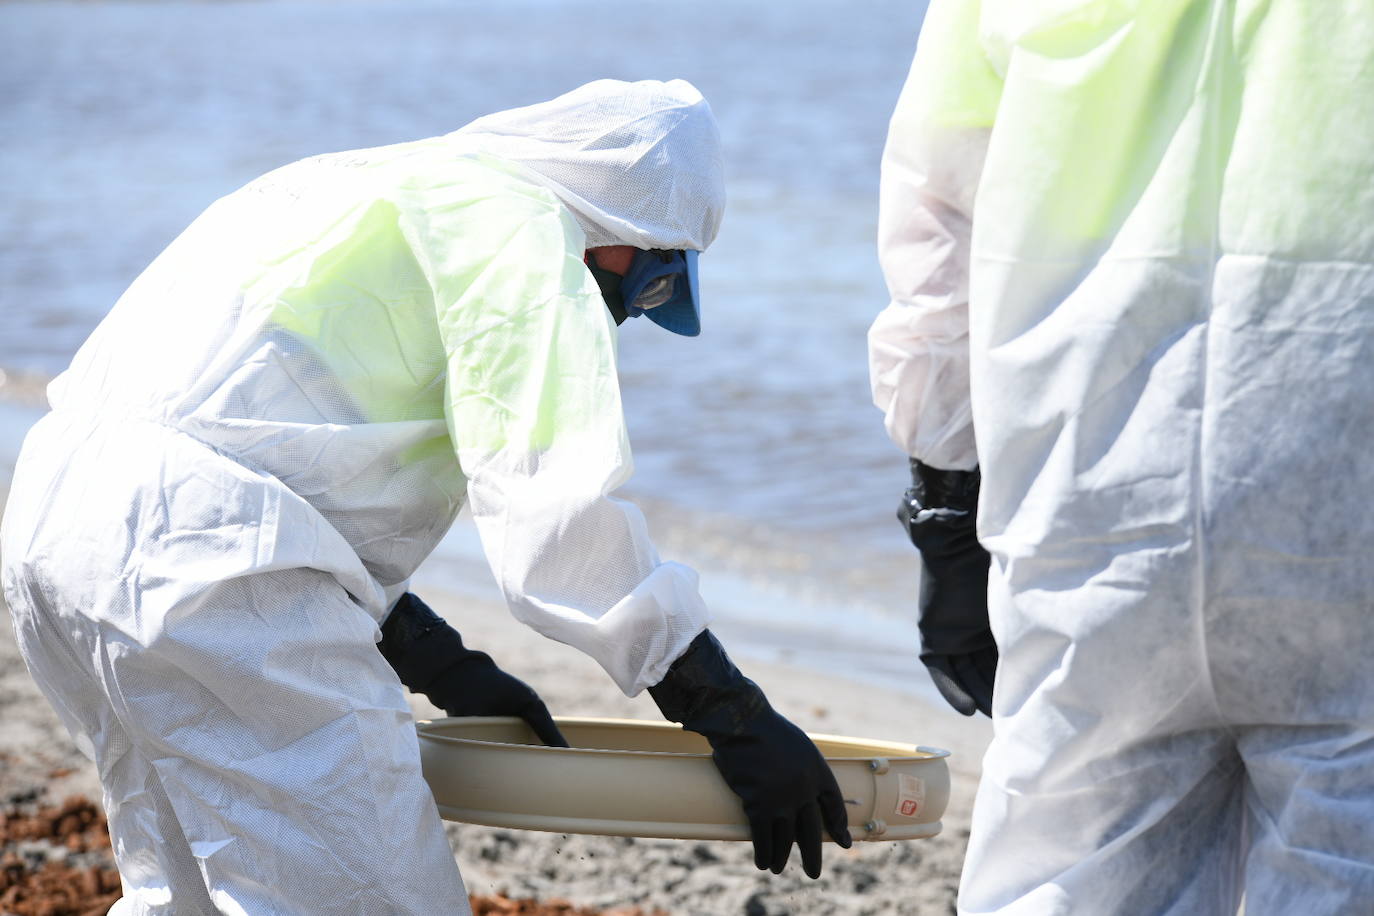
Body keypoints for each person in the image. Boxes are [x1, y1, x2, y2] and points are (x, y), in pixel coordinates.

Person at [0, 79, 850, 915]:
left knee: (179, 893)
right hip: (200, 567)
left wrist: (443, 663)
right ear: (619, 222)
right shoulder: (529, 235)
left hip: (55, 524)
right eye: (655, 280)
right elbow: (555, 521)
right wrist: (728, 711)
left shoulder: (358, 182)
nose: (631, 311)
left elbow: (272, 450)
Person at [869, 2, 1374, 913]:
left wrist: (945, 494)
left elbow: (937, 208)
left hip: (1085, 479)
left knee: (1068, 868)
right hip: (1343, 463)